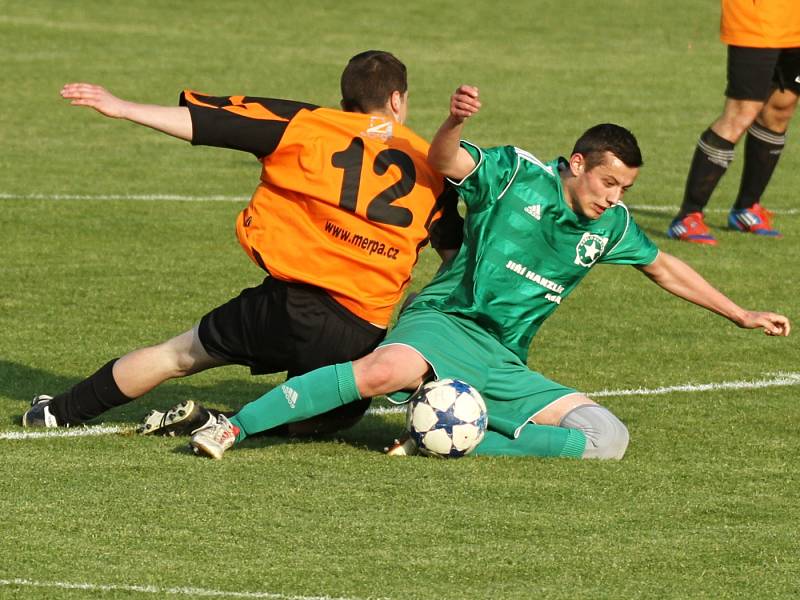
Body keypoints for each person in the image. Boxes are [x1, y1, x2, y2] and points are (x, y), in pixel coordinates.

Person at [187, 84, 791, 460]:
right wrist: (453, 122)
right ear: (577, 163)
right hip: (445, 321)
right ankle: (233, 428)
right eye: (608, 182)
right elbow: (443, 158)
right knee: (386, 369)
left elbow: (666, 269)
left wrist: (741, 314)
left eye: (624, 188)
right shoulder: (513, 173)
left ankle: (448, 439)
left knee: (607, 438)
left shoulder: (610, 225)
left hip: (503, 358)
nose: (614, 197)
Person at [21, 51, 463, 436]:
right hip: (358, 329)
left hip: (288, 306)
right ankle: (221, 420)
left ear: (345, 102)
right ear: (398, 100)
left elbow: (210, 123)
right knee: (331, 416)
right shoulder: (433, 169)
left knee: (177, 355)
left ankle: (57, 413)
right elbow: (455, 261)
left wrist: (123, 107)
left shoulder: (306, 124)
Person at [667, 0, 800, 245]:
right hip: (758, 19)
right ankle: (688, 216)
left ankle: (746, 209)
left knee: (782, 108)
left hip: (794, 22)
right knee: (741, 112)